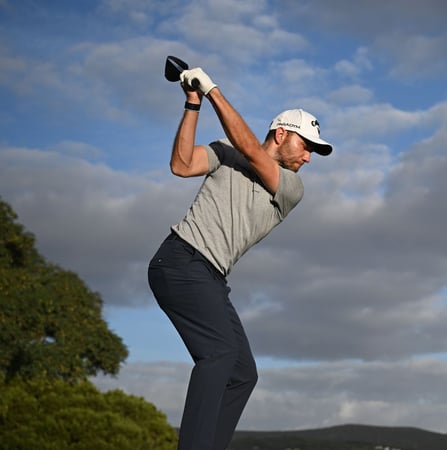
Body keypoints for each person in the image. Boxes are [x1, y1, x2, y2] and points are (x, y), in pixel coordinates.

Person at [147, 67, 333, 450]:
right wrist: (193, 102)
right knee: (220, 352)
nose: (309, 157)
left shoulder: (290, 188)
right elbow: (181, 165)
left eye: (314, 150)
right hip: (181, 261)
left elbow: (250, 148)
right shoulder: (223, 153)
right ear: (281, 134)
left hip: (210, 277)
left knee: (242, 373)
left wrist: (212, 88)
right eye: (306, 145)